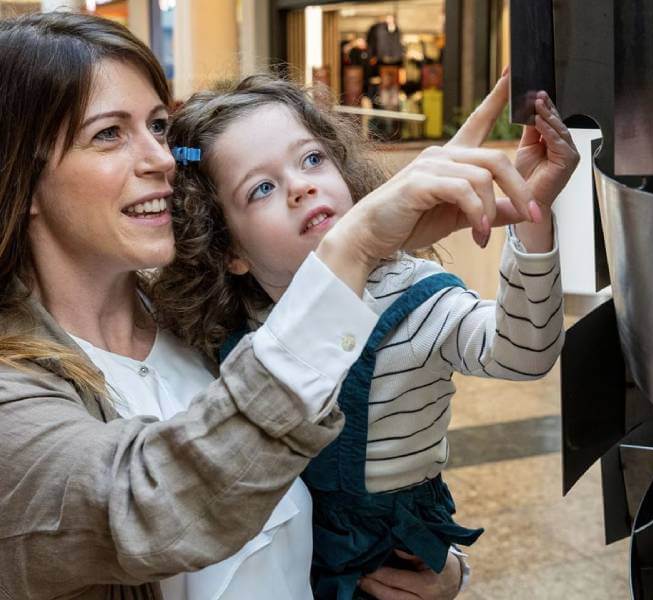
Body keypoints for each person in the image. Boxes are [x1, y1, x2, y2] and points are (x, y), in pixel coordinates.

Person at [0, 11, 576, 600]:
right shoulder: (15, 394)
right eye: (108, 134)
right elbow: (155, 505)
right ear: (22, 177)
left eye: (155, 126)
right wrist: (351, 246)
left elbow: (327, 483)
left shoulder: (196, 322)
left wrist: (438, 565)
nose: (162, 159)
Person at [153, 73, 577, 599]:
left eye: (311, 159)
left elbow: (525, 353)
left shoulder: (417, 300)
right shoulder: (235, 333)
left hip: (393, 556)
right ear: (229, 252)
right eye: (261, 188)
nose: (301, 186)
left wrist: (532, 218)